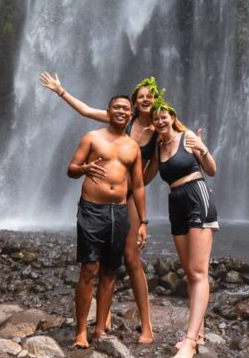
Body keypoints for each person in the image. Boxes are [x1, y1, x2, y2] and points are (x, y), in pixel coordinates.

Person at [41, 72, 164, 343]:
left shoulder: (158, 127)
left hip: (124, 201)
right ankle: (90, 326)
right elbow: (85, 110)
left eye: (148, 97)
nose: (143, 100)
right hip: (97, 205)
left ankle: (144, 325)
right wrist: (60, 91)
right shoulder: (108, 128)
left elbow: (144, 180)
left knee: (123, 262)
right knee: (92, 267)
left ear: (152, 102)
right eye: (138, 96)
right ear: (115, 110)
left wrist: (198, 146)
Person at [67, 94, 147, 349]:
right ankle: (81, 332)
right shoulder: (92, 137)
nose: (121, 111)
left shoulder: (133, 146)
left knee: (110, 272)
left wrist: (143, 221)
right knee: (89, 269)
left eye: (126, 108)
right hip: (92, 210)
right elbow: (71, 169)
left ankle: (100, 329)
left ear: (131, 114)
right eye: (117, 108)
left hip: (119, 212)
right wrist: (84, 169)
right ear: (109, 111)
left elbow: (138, 185)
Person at [145, 99, 217, 358]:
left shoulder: (187, 137)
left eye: (163, 116)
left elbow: (211, 169)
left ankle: (189, 343)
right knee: (189, 271)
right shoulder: (158, 147)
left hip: (197, 196)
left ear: (172, 116)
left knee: (198, 272)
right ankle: (199, 333)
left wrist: (203, 149)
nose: (160, 121)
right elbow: (143, 178)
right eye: (155, 119)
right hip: (175, 202)